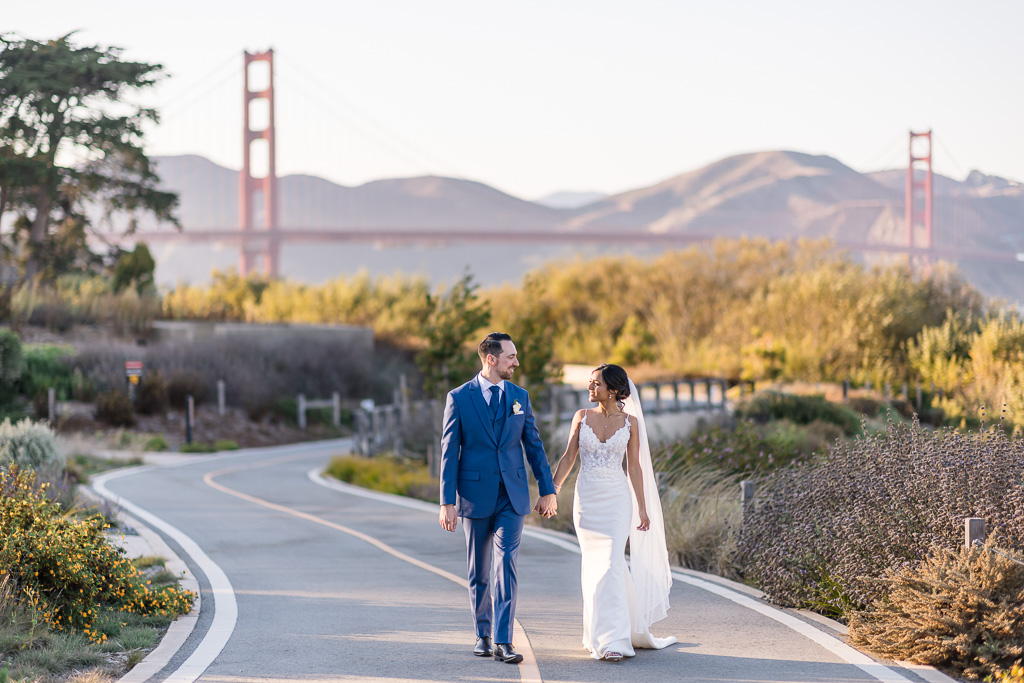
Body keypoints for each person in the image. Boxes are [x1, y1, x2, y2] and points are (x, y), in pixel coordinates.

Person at [438, 332, 558, 664]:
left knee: (507, 566)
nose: (516, 362)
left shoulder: (520, 396)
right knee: (479, 570)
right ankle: (483, 634)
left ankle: (504, 641)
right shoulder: (459, 397)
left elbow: (533, 445)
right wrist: (446, 502)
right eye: (511, 357)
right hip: (474, 496)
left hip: (513, 495)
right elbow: (449, 453)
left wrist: (547, 490)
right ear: (491, 359)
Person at [550, 363, 677, 661]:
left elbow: (634, 467)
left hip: (618, 500)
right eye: (590, 383)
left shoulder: (631, 423)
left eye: (596, 384)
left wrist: (642, 508)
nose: (590, 388)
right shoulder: (581, 417)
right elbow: (569, 457)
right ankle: (596, 633)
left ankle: (615, 641)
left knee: (611, 564)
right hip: (587, 500)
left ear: (615, 390)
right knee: (595, 566)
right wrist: (551, 491)